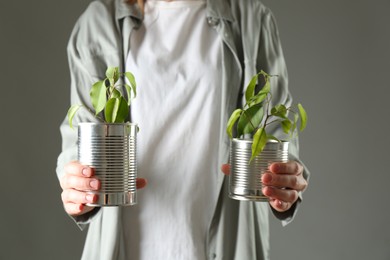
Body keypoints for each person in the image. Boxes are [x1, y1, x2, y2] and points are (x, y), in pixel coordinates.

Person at [56, 0, 309, 259]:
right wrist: (79, 184)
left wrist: (284, 183)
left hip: (227, 246)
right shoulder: (100, 21)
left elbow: (276, 130)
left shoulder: (251, 18)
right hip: (127, 245)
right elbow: (81, 134)